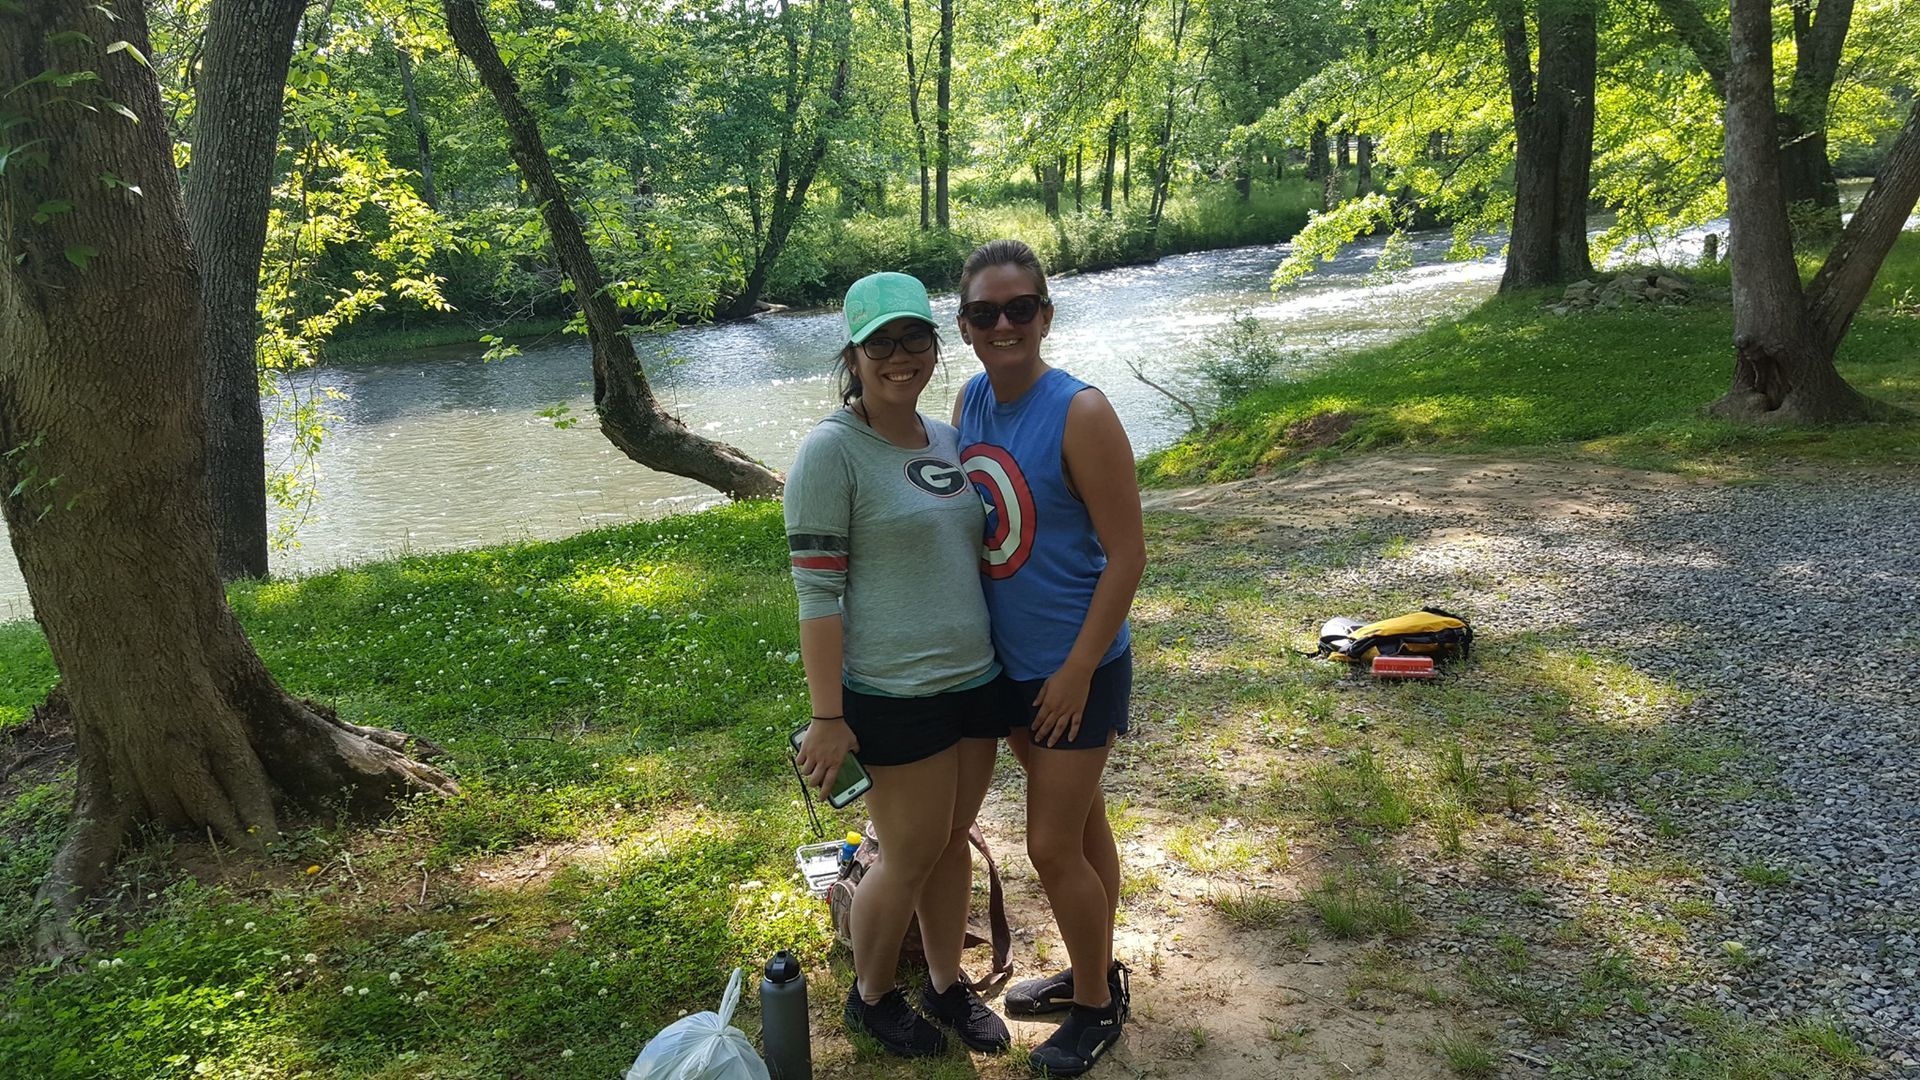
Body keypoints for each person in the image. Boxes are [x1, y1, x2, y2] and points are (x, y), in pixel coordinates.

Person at [785, 271, 1011, 1059]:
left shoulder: (947, 440)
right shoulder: (831, 451)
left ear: (934, 345)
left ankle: (946, 984)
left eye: (914, 336)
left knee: (950, 841)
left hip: (975, 680)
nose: (899, 355)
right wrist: (828, 715)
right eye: (879, 342)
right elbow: (817, 596)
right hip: (893, 691)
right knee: (909, 851)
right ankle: (873, 995)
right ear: (852, 356)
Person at [952, 239, 1146, 1076]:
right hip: (1013, 667)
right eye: (985, 312)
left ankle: (1097, 1007)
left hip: (1076, 668)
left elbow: (1127, 556)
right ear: (965, 326)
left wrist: (1075, 671)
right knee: (1083, 824)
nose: (1004, 325)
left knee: (1051, 846)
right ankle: (1092, 967)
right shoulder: (970, 400)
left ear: (1045, 315)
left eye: (1020, 308)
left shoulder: (1081, 412)